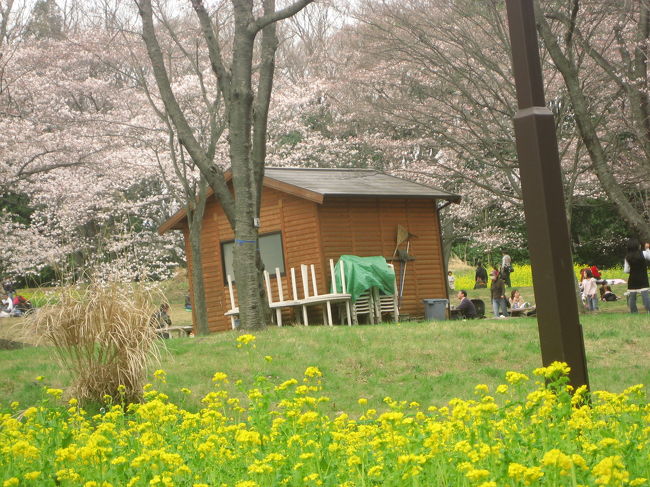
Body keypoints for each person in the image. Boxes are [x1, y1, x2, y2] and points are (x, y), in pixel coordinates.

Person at [623, 238, 650, 313]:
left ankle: (634, 312)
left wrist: (633, 271)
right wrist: (647, 249)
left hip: (632, 279)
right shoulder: (643, 253)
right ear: (637, 246)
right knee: (645, 296)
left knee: (632, 297)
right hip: (643, 278)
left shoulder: (627, 257)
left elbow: (626, 270)